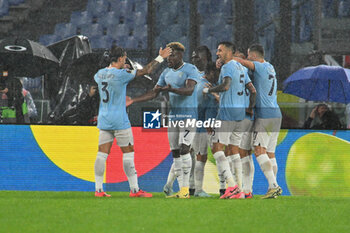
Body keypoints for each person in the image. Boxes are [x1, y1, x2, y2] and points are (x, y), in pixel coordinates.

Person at [93, 45, 171, 197]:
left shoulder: (99, 74)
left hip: (104, 119)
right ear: (121, 58)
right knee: (128, 154)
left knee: (102, 154)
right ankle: (135, 190)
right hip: (119, 120)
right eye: (124, 58)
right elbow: (147, 70)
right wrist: (160, 57)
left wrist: (123, 69)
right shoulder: (123, 74)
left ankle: (98, 190)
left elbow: (110, 76)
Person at [128, 42, 201, 198]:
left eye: (172, 55)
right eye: (167, 55)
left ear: (181, 55)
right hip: (174, 117)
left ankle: (186, 189)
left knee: (184, 149)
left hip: (188, 116)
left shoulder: (190, 69)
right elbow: (154, 93)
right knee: (175, 152)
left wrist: (171, 89)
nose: (169, 58)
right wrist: (134, 100)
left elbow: (189, 90)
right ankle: (181, 190)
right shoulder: (166, 73)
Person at [203, 41, 254, 199]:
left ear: (229, 52)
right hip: (241, 115)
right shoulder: (242, 68)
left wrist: (209, 89)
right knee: (233, 151)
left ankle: (231, 186)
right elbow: (253, 90)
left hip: (227, 114)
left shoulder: (227, 67)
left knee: (217, 148)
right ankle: (240, 190)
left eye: (220, 50)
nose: (217, 53)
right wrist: (250, 109)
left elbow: (225, 86)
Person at [232, 44, 282, 199]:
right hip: (276, 114)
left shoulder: (259, 66)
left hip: (265, 115)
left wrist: (230, 58)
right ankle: (263, 189)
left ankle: (274, 186)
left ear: (253, 56)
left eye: (248, 55)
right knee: (270, 153)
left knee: (259, 150)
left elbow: (245, 63)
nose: (246, 58)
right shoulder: (270, 67)